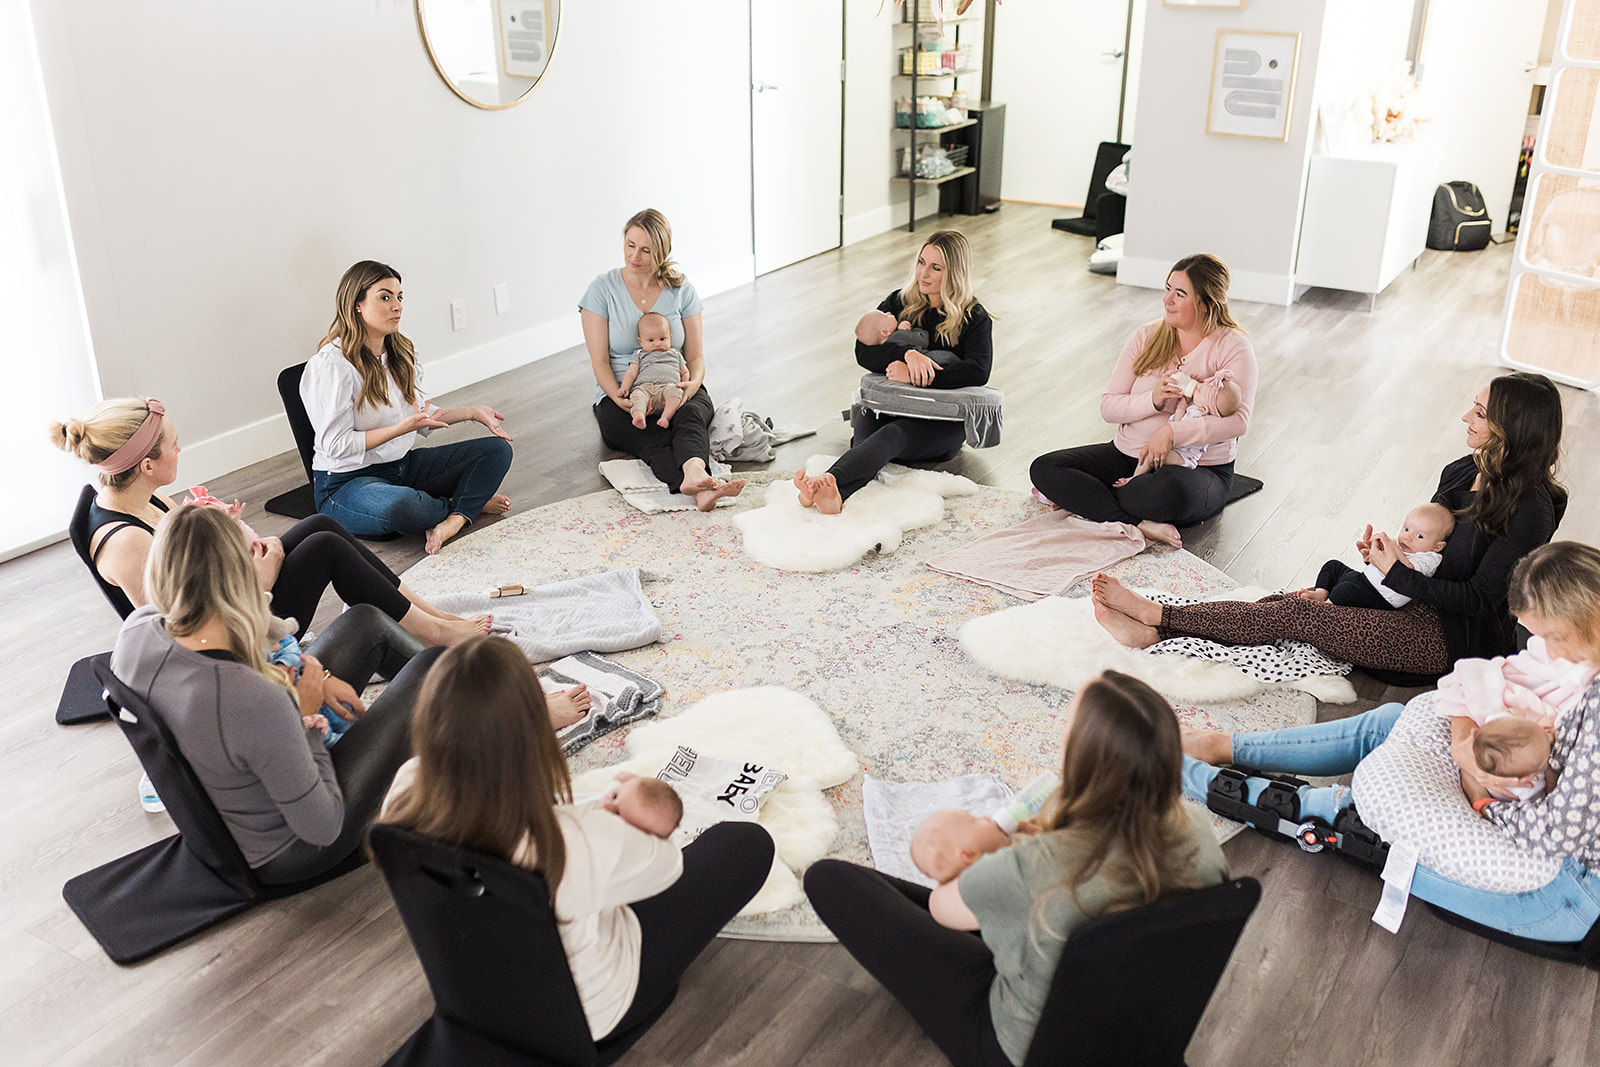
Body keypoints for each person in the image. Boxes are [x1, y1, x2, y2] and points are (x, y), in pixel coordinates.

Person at [1181, 541, 1600, 942]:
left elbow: (1554, 835)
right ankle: (1225, 746)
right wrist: (1464, 747)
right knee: (1393, 723)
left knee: (1358, 816)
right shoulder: (1580, 667)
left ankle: (1180, 768)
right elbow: (1493, 679)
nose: (1547, 651)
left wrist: (1478, 797)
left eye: (1554, 638)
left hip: (1562, 889)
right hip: (1538, 793)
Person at [805, 671, 1228, 1067]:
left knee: (831, 879)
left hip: (1026, 1050)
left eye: (1068, 726)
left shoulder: (1028, 867)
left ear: (1082, 757)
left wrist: (985, 852)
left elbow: (942, 907)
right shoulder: (1197, 833)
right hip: (1139, 1032)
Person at [380, 636, 774, 1041]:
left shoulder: (407, 787)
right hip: (584, 1017)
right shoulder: (575, 839)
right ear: (531, 728)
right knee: (744, 844)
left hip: (474, 996)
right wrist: (627, 810)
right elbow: (665, 866)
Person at [1092, 372, 1568, 679]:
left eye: (1481, 414)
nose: (1466, 416)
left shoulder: (1530, 510)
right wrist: (1392, 553)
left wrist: (1398, 574)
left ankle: (1159, 620)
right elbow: (1435, 550)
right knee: (1295, 600)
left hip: (1447, 639)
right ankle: (1161, 633)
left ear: (1516, 430)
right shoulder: (1464, 470)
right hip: (1407, 598)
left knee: (1300, 616)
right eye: (1474, 404)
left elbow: (1483, 602)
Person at [110, 504, 448, 884]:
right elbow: (322, 827)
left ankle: (455, 734)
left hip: (225, 801)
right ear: (238, 579)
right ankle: (488, 744)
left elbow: (235, 659)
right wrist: (305, 716)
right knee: (434, 669)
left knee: (365, 621)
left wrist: (314, 676)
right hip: (289, 850)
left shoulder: (139, 629)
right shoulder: (251, 698)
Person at [51, 397, 490, 647]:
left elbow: (193, 567)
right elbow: (183, 638)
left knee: (320, 526)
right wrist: (260, 580)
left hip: (231, 599)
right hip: (232, 638)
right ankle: (431, 631)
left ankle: (427, 615)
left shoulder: (144, 497)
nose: (180, 451)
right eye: (174, 446)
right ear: (145, 465)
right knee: (325, 548)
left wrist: (221, 531)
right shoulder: (125, 543)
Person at [1029, 253, 1258, 548]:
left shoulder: (1233, 346)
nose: (1167, 300)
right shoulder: (1147, 335)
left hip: (1195, 471)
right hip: (1128, 455)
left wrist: (1172, 433)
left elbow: (1239, 422)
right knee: (1045, 469)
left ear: (1206, 303)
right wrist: (1152, 399)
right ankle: (1138, 522)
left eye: (1180, 294)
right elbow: (1109, 406)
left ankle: (1091, 502)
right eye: (1167, 289)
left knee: (1155, 493)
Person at [303, 260, 515, 553]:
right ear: (356, 304)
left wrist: (472, 412)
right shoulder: (331, 365)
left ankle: (454, 518)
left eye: (399, 297)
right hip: (345, 483)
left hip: (401, 467)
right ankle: (464, 504)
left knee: (497, 450)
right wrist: (398, 429)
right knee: (405, 507)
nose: (397, 306)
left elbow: (416, 414)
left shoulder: (400, 351)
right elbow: (335, 445)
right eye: (385, 297)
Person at [796, 230, 994, 516]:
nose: (923, 274)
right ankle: (828, 496)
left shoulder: (974, 317)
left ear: (955, 273)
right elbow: (862, 350)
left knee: (892, 435)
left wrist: (917, 374)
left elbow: (979, 371)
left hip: (942, 421)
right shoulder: (900, 302)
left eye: (935, 268)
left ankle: (831, 484)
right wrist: (907, 355)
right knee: (864, 428)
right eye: (921, 262)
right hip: (894, 406)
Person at [581, 209, 745, 511]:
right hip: (624, 394)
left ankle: (696, 474)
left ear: (662, 251)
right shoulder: (601, 290)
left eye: (645, 250)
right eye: (630, 245)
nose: (635, 256)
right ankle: (698, 489)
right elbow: (600, 362)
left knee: (691, 419)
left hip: (676, 385)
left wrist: (692, 386)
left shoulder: (681, 289)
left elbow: (695, 356)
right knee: (654, 435)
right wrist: (621, 401)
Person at [1300, 502, 1455, 610]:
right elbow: (1382, 567)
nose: (1408, 537)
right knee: (1333, 566)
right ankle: (1320, 594)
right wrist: (1372, 556)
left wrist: (1392, 546)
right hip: (1363, 580)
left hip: (1380, 597)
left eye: (1419, 536)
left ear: (1437, 546)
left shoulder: (1429, 558)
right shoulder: (1405, 546)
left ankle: (1323, 612)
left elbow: (1406, 572)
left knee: (1345, 591)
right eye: (1406, 529)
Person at [1112, 371, 1243, 487]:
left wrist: (1182, 405)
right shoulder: (1199, 408)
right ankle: (1141, 479)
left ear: (1204, 409)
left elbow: (1177, 424)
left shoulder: (1199, 417)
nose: (1197, 387)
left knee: (1152, 454)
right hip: (1178, 452)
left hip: (1184, 458)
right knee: (1154, 455)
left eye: (1200, 390)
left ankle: (1135, 478)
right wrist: (1188, 398)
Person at [618, 312, 687, 430]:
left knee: (676, 393)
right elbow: (631, 372)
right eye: (651, 340)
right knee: (637, 396)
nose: (657, 343)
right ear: (641, 342)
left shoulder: (675, 353)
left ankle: (665, 417)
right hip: (645, 387)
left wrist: (683, 385)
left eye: (662, 339)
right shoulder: (639, 354)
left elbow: (684, 372)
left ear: (670, 337)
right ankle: (639, 416)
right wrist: (624, 387)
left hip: (668, 386)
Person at [598, 771, 685, 839]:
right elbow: (621, 776)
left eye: (617, 814)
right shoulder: (619, 794)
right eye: (614, 796)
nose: (606, 805)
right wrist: (635, 781)